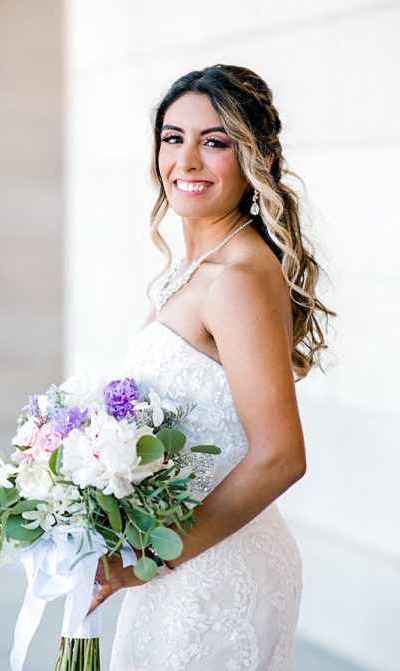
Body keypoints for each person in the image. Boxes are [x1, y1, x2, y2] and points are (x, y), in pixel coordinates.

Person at [87, 64, 332, 671]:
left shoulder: (237, 281)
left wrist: (148, 560)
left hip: (213, 576)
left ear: (259, 160)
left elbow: (281, 456)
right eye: (174, 138)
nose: (188, 161)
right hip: (182, 560)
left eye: (215, 142)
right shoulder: (191, 271)